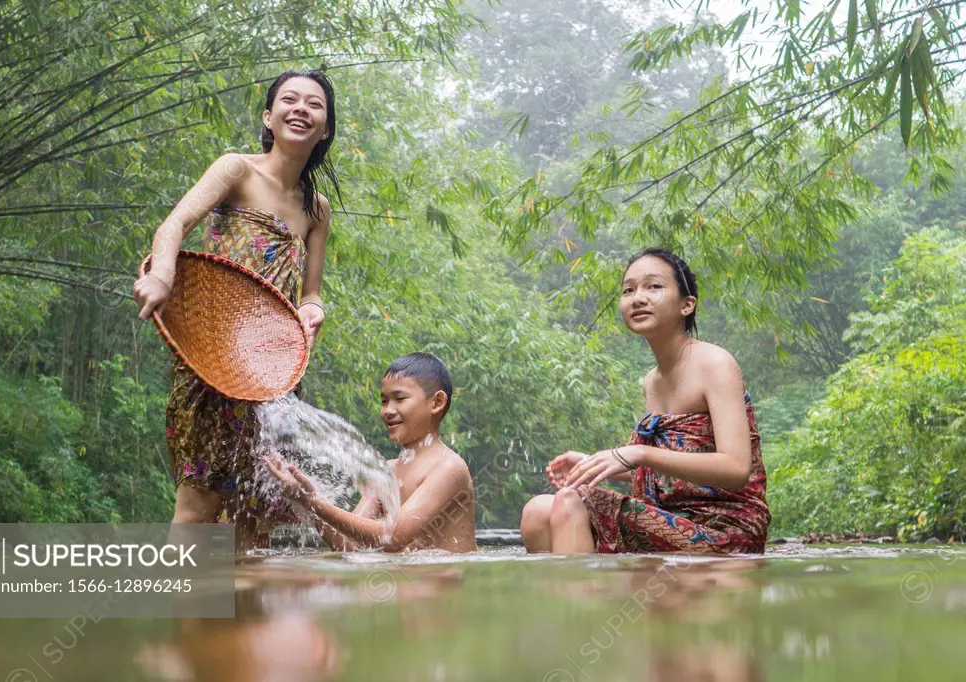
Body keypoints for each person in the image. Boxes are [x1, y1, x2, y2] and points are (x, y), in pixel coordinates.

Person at [132, 70, 340, 549]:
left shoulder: (317, 209)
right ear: (269, 116)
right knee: (199, 506)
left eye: (314, 104)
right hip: (211, 362)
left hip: (272, 374)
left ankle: (239, 623)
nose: (301, 109)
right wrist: (162, 276)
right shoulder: (236, 170)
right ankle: (181, 618)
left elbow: (311, 292)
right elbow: (175, 224)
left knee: (258, 514)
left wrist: (313, 311)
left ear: (325, 128)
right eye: (289, 100)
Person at [520, 248, 771, 554]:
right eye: (629, 290)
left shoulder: (716, 363)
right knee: (537, 511)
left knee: (569, 501)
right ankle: (575, 596)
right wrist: (595, 463)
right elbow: (668, 471)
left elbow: (735, 468)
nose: (638, 298)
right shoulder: (651, 381)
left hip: (724, 525)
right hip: (670, 516)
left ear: (686, 305)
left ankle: (582, 598)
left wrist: (639, 452)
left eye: (654, 286)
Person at [265, 352, 478, 552]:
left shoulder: (449, 467)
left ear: (437, 402)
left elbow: (393, 537)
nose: (387, 411)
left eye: (400, 399)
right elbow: (348, 546)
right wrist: (305, 501)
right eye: (384, 401)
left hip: (444, 590)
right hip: (406, 586)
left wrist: (314, 502)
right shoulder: (387, 471)